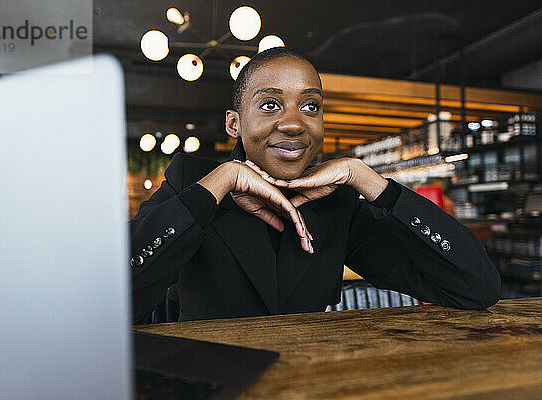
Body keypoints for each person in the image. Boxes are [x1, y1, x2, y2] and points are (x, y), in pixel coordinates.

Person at [129, 47, 500, 324]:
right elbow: (112, 298)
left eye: (310, 106)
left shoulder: (338, 206)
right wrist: (222, 180)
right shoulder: (192, 185)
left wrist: (367, 179)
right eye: (271, 105)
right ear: (234, 124)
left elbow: (475, 287)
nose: (294, 123)